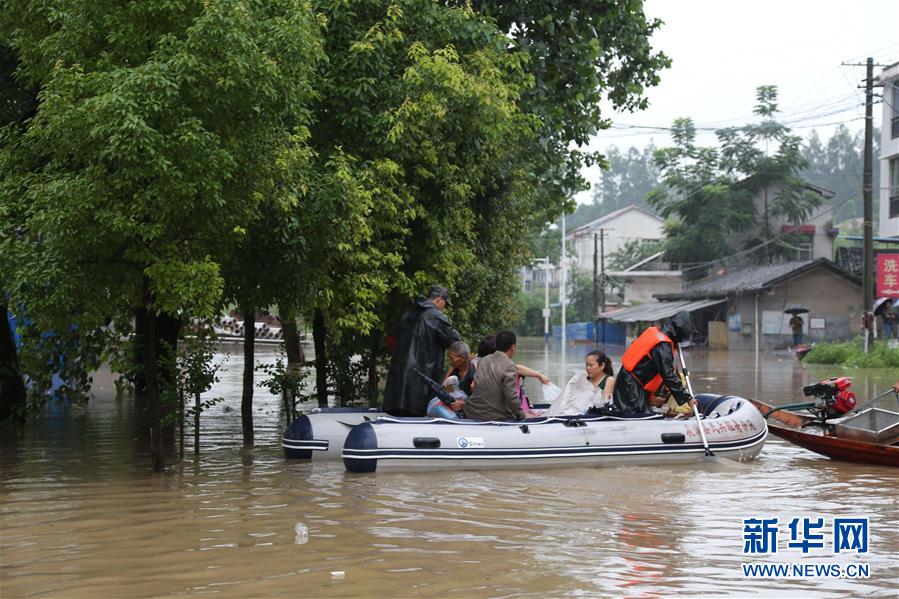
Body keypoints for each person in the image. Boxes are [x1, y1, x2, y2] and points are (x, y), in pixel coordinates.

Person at [383, 285, 460, 416]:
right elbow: (454, 339)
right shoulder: (435, 315)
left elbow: (392, 341)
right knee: (417, 424)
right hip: (420, 383)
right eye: (445, 304)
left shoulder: (407, 314)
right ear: (439, 300)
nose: (444, 308)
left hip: (397, 385)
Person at [612, 311, 695, 414]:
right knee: (636, 415)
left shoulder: (657, 333)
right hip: (630, 385)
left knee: (641, 412)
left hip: (631, 381)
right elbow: (668, 375)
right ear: (680, 331)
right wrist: (688, 398)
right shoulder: (662, 344)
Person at [463, 330, 524, 421]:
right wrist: (521, 415)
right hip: (494, 416)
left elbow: (474, 386)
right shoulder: (510, 366)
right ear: (513, 347)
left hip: (471, 412)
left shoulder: (483, 360)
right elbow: (511, 397)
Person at [546, 351, 616, 416]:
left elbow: (603, 404)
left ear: (602, 366)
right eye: (586, 365)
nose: (588, 368)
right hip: (578, 414)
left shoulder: (609, 380)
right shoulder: (584, 379)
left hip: (594, 416)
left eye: (591, 365)